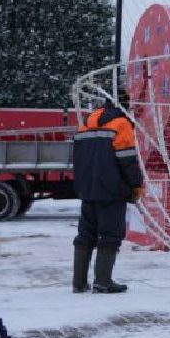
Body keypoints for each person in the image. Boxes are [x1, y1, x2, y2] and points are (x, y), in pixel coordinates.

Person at [71, 94, 144, 294]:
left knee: (85, 235)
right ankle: (103, 281)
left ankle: (78, 283)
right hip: (112, 190)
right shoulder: (121, 124)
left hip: (87, 189)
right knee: (110, 235)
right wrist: (136, 185)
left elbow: (77, 157)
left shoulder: (86, 123)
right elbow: (127, 159)